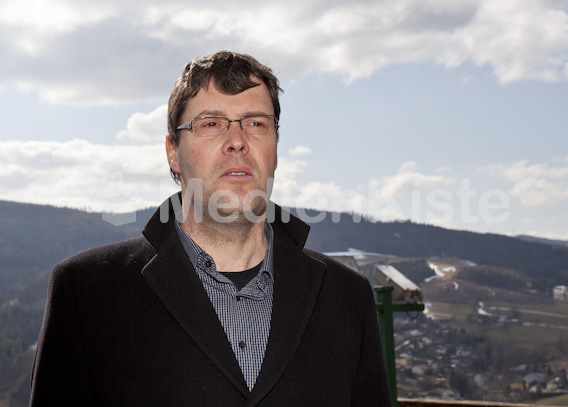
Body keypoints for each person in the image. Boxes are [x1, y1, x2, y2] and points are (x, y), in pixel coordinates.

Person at [30, 51, 389, 406]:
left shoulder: (346, 297)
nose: (237, 140)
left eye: (256, 123)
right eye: (211, 124)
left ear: (276, 149)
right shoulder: (87, 293)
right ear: (173, 152)